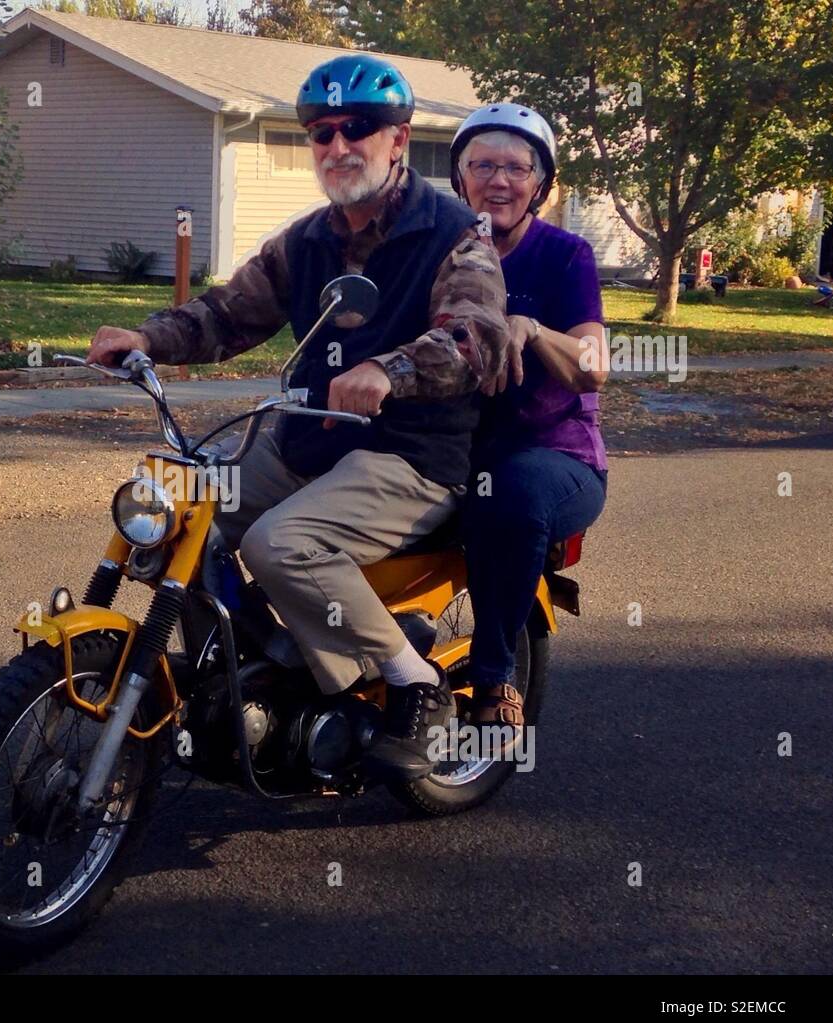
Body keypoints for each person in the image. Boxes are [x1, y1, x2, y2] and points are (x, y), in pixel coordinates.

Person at [87, 56, 514, 782]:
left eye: (359, 128)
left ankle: (414, 681)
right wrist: (148, 338)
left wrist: (391, 370)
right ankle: (256, 666)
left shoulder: (455, 234)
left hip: (409, 454)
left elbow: (477, 339)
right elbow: (230, 312)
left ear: (399, 138)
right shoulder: (308, 239)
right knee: (182, 513)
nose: (338, 145)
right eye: (321, 132)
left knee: (281, 544)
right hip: (308, 439)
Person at [449, 104, 609, 751]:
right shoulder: (440, 250)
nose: (499, 179)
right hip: (456, 445)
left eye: (516, 166)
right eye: (482, 164)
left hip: (556, 454)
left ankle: (493, 678)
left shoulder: (565, 256)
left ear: (539, 183)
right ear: (460, 179)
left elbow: (593, 369)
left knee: (509, 491)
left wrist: (533, 329)